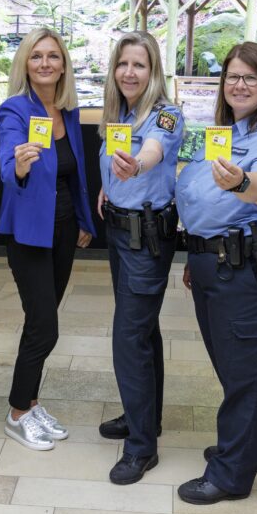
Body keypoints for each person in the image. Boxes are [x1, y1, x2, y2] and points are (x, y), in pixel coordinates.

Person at [175, 42, 257, 505]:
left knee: (244, 373)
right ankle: (255, 450)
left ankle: (230, 475)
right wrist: (196, 254)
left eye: (251, 77)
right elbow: (198, 199)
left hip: (252, 270)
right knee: (242, 369)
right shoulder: (223, 135)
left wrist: (244, 183)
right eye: (233, 76)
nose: (240, 85)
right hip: (215, 264)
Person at [0, 27, 95, 450]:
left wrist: (86, 222)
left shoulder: (67, 111)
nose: (45, 63)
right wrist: (19, 164)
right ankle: (17, 412)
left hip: (64, 227)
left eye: (53, 56)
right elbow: (7, 162)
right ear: (25, 63)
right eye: (36, 56)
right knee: (45, 327)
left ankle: (32, 403)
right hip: (30, 233)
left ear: (63, 64)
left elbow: (77, 176)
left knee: (41, 321)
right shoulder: (15, 109)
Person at [95, 31, 184, 484]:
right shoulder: (121, 113)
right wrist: (106, 187)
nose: (130, 72)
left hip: (145, 238)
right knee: (142, 331)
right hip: (119, 228)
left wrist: (136, 166)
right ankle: (141, 417)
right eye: (123, 64)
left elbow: (150, 153)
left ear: (154, 72)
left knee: (128, 337)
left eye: (140, 65)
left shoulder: (165, 116)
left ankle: (141, 447)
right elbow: (113, 162)